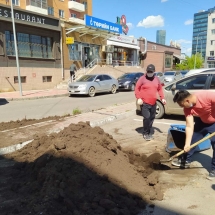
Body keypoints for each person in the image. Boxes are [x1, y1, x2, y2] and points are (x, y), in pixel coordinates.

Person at [172, 90, 215, 180]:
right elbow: (189, 127)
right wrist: (187, 144)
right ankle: (186, 160)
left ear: (187, 101)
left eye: (182, 105)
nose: (182, 107)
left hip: (214, 123)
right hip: (202, 122)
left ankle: (214, 169)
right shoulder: (187, 108)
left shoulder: (208, 96)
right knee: (191, 140)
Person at [135, 64, 166, 141]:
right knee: (147, 118)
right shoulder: (142, 79)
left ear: (154, 71)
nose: (149, 73)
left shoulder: (156, 79)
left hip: (153, 103)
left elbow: (160, 89)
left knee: (152, 118)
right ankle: (145, 133)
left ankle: (149, 132)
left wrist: (162, 98)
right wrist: (138, 98)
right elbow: (137, 88)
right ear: (146, 71)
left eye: (151, 71)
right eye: (148, 71)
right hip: (144, 103)